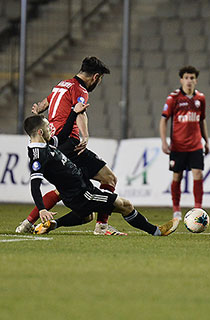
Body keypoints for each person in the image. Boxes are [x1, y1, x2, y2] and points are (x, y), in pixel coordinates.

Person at [15, 56, 125, 236]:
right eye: (100, 79)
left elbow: (43, 104)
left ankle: (27, 223)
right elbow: (80, 111)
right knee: (109, 179)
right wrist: (85, 135)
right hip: (70, 142)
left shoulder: (62, 84)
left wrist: (38, 111)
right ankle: (102, 226)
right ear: (95, 77)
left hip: (54, 143)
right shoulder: (80, 89)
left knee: (64, 188)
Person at [24, 113, 177, 236]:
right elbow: (35, 184)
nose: (52, 130)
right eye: (48, 128)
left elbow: (63, 134)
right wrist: (42, 209)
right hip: (82, 194)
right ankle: (156, 231)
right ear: (40, 132)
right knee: (125, 205)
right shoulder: (38, 155)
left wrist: (74, 112)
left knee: (86, 216)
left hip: (80, 188)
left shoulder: (45, 143)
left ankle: (53, 224)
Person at [160, 66, 209, 230]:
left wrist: (206, 141)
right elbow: (164, 120)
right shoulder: (173, 98)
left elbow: (202, 120)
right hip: (178, 146)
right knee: (177, 177)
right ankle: (176, 209)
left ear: (196, 80)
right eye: (186, 77)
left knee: (198, 174)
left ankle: (198, 208)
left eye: (192, 77)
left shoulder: (200, 98)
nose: (189, 80)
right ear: (181, 79)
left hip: (195, 144)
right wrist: (164, 141)